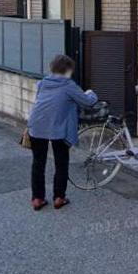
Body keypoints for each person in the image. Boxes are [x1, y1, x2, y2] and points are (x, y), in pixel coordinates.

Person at [27, 54, 97, 211]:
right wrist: (91, 92)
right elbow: (87, 102)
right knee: (61, 163)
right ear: (68, 70)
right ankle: (59, 197)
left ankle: (37, 198)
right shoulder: (68, 85)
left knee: (38, 163)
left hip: (36, 126)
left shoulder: (42, 83)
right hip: (58, 129)